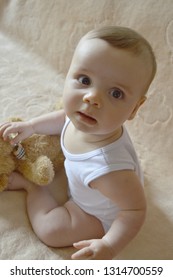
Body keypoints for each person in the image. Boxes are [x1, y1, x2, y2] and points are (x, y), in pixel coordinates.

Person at [0, 26, 156, 259]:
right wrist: (32, 126)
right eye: (84, 80)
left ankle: (31, 186)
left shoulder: (109, 169)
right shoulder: (89, 118)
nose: (92, 97)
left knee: (50, 230)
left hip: (95, 214)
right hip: (94, 186)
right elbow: (64, 118)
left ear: (134, 108)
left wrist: (110, 245)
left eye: (115, 93)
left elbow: (134, 210)